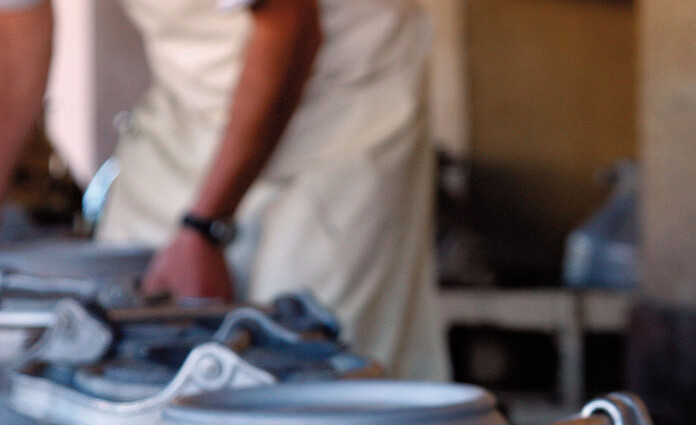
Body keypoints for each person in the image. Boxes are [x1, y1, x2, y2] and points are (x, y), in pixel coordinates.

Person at [0, 0, 448, 380]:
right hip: (187, 108)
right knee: (115, 328)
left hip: (335, 109)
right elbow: (19, 24)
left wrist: (203, 227)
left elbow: (291, 28)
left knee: (309, 362)